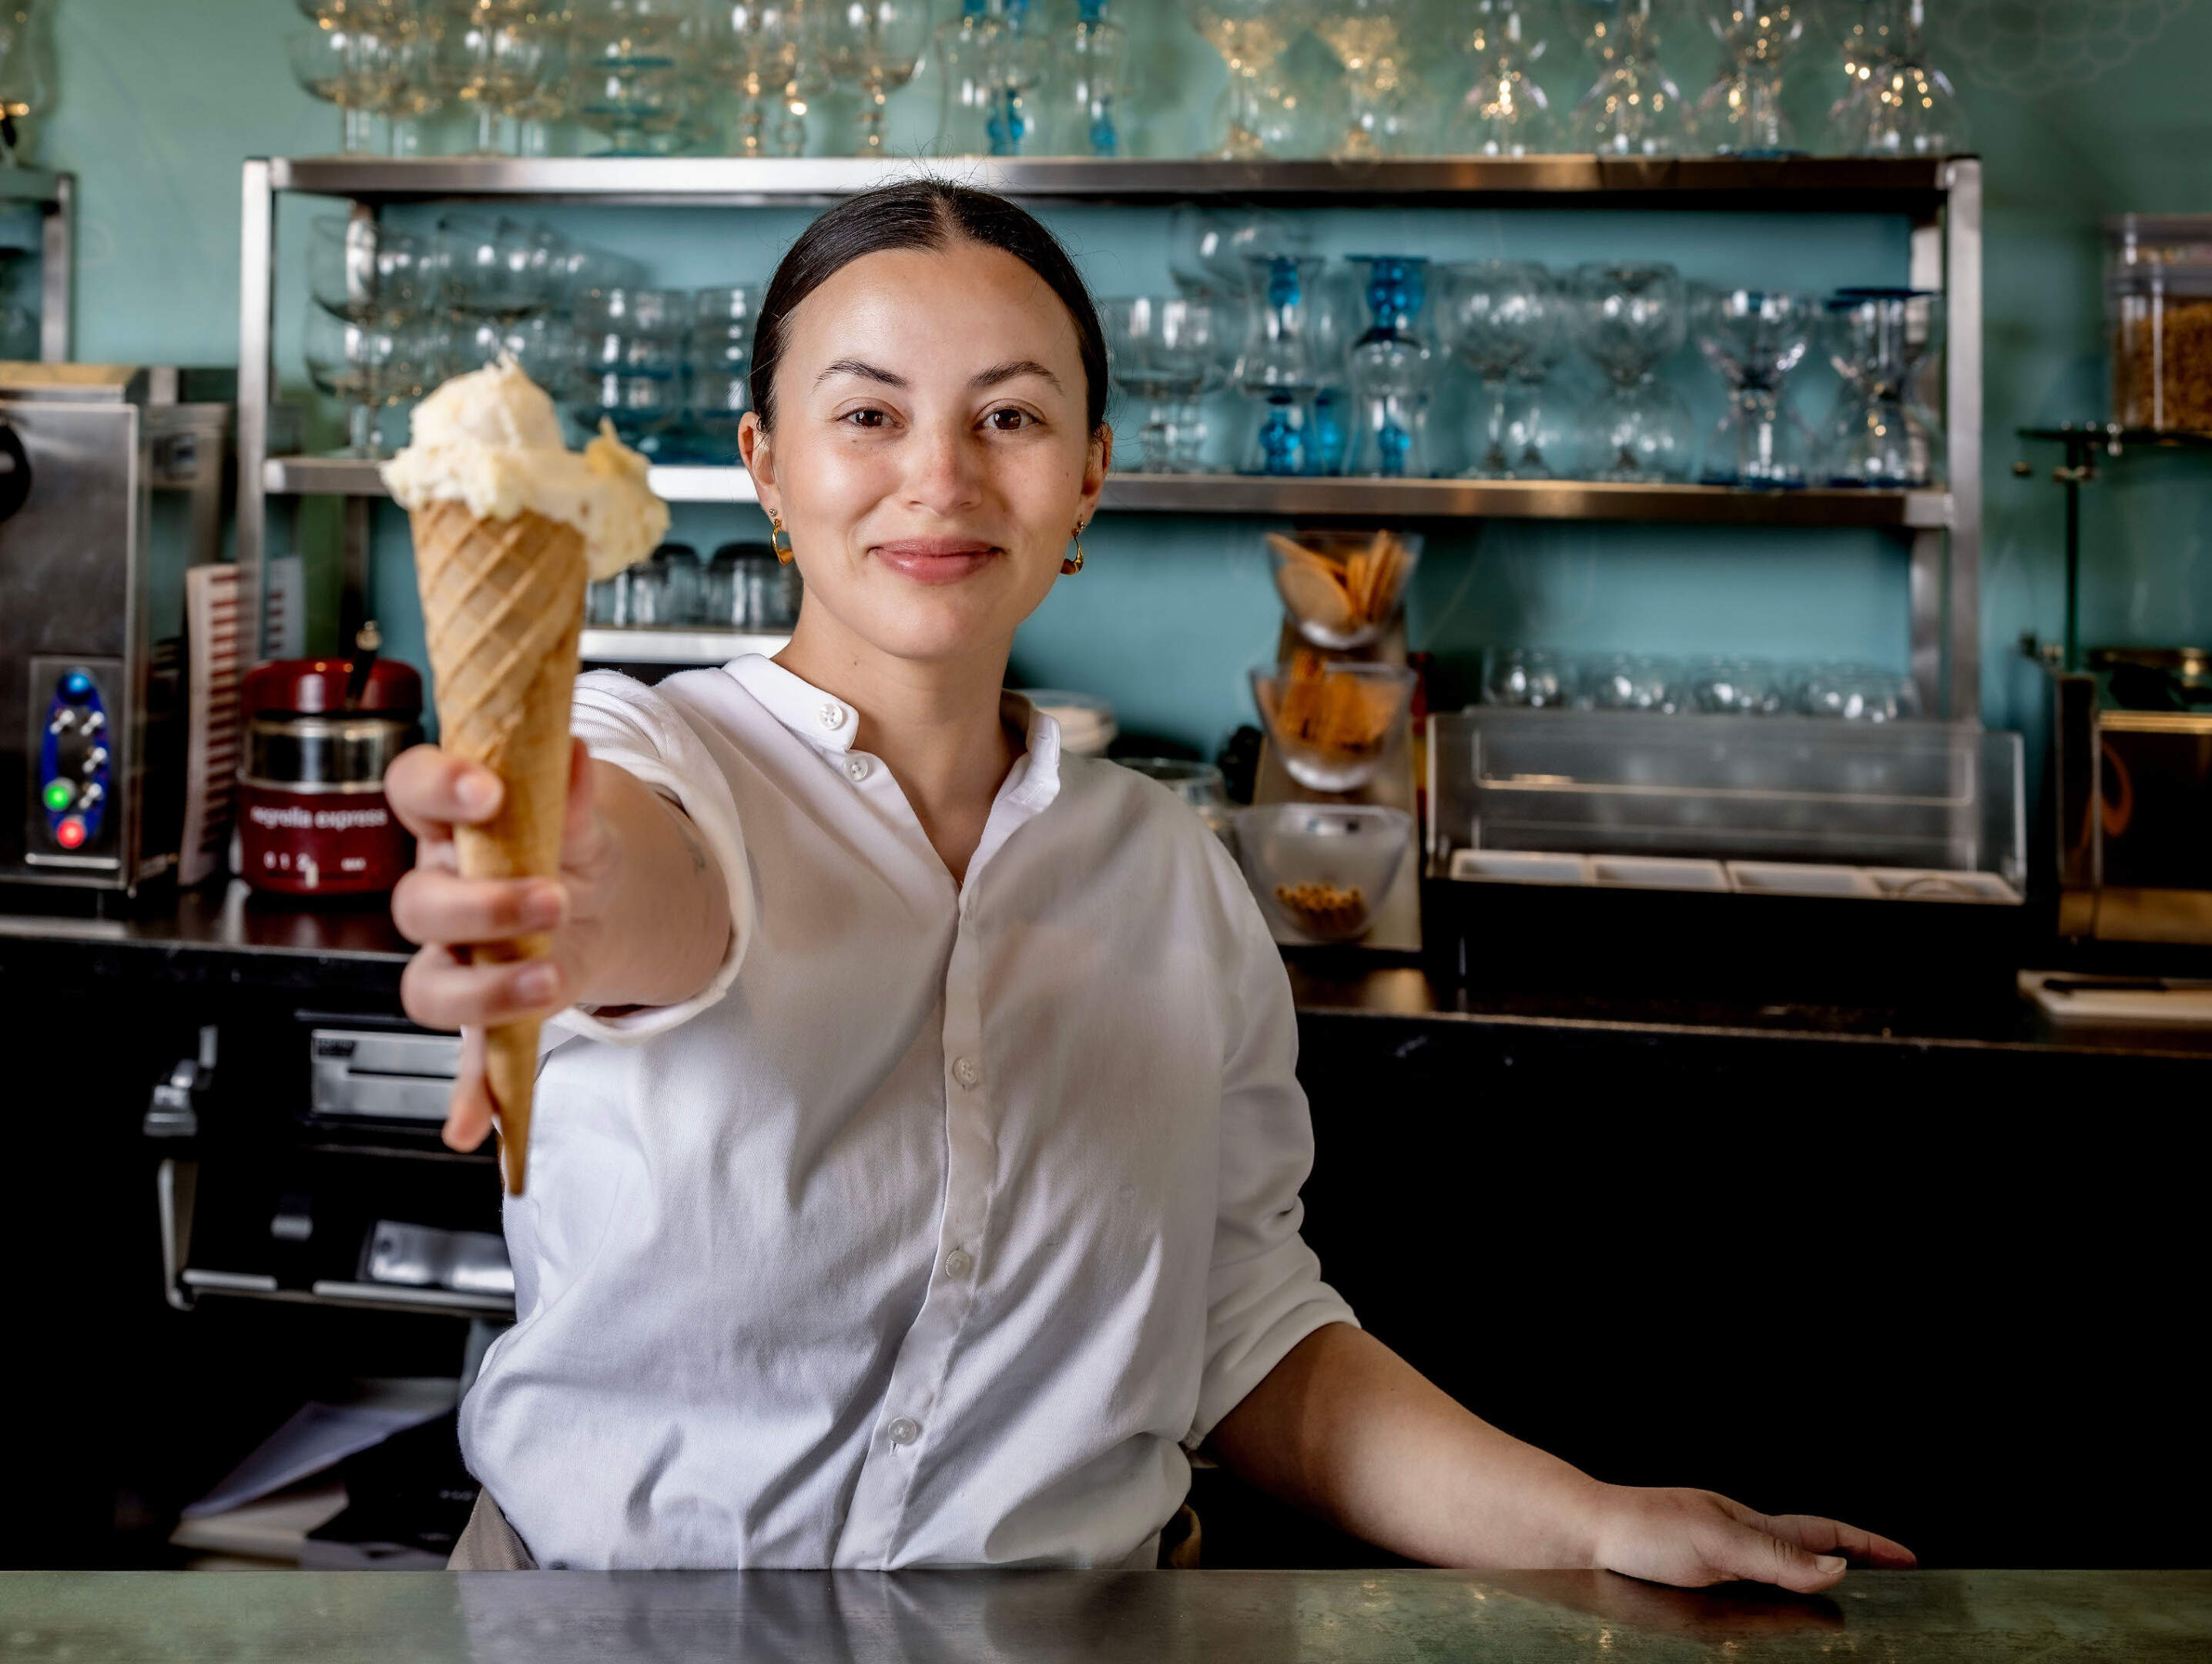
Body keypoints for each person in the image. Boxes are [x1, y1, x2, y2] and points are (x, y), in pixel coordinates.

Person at [384, 179, 1914, 1582]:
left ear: (1092, 475)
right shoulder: (652, 758)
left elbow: (1242, 1338)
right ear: (766, 469)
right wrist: (550, 889)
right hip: (610, 1636)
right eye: (867, 415)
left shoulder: (1177, 874)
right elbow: (638, 884)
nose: (939, 478)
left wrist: (1592, 1519)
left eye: (1010, 417)